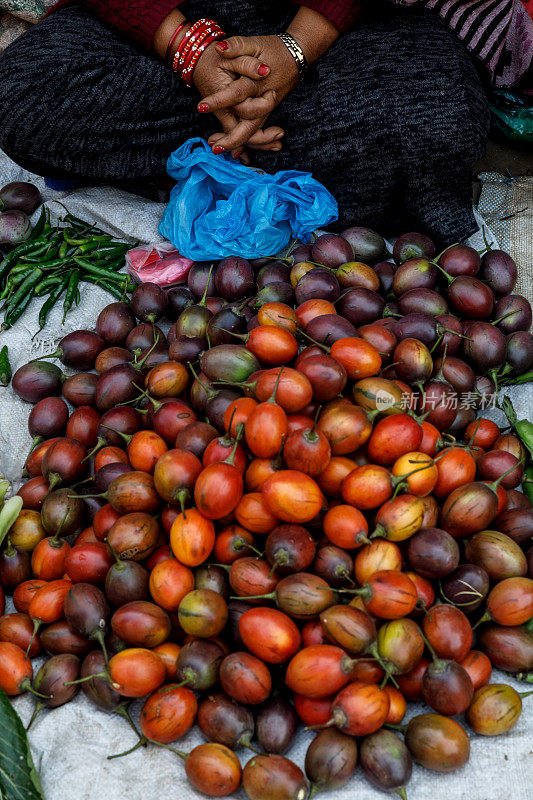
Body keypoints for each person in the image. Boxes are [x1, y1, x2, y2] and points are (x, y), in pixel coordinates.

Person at [0, 0, 529, 243]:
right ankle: (243, 138)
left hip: (336, 23)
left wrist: (294, 50)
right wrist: (191, 51)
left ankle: (207, 155)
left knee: (440, 119)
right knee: (21, 98)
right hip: (162, 20)